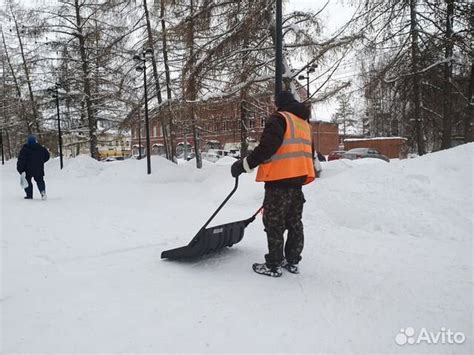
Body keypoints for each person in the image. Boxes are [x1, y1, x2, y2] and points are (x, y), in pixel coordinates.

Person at [231, 91, 316, 277]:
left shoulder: (280, 118)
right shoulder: (303, 124)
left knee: (274, 224)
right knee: (294, 223)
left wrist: (243, 165)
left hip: (278, 182)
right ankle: (292, 262)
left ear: (279, 103)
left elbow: (267, 147)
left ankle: (273, 265)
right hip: (297, 182)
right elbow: (309, 151)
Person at [17, 134, 50, 200]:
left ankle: (29, 195)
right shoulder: (41, 148)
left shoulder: (24, 150)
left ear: (28, 141)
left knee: (27, 181)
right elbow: (47, 156)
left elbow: (21, 160)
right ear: (35, 141)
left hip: (27, 169)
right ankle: (42, 192)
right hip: (38, 168)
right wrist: (41, 161)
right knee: (40, 180)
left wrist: (20, 169)